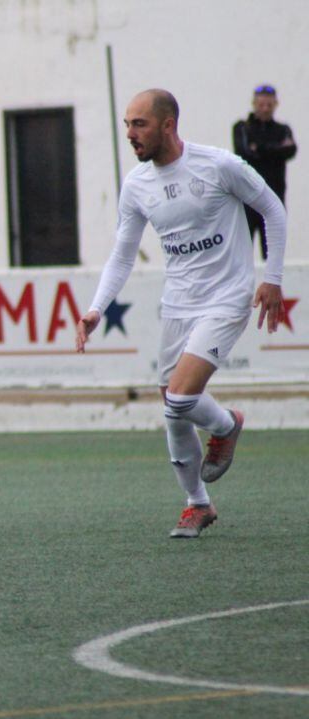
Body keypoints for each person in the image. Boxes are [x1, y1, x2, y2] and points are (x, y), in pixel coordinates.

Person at [76, 89, 287, 539]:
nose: (131, 134)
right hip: (178, 303)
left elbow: (272, 208)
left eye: (140, 125)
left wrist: (272, 277)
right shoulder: (137, 185)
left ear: (168, 125)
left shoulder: (218, 165)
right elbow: (123, 254)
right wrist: (97, 308)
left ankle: (228, 425)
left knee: (180, 398)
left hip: (227, 297)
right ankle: (197, 505)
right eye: (127, 125)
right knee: (172, 411)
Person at [232, 84, 297, 260]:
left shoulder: (283, 129)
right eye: (261, 105)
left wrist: (259, 148)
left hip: (274, 197)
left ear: (276, 104)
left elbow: (290, 151)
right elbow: (244, 151)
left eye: (269, 105)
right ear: (254, 103)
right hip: (247, 198)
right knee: (242, 251)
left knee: (272, 254)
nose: (265, 109)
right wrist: (275, 150)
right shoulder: (242, 128)